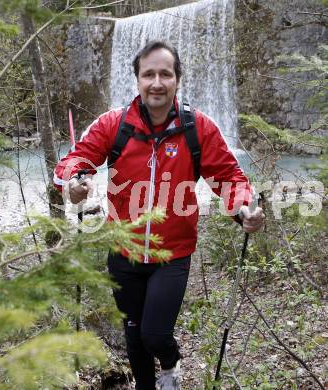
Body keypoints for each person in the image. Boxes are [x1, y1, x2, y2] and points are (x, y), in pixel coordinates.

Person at [53, 40, 264, 390]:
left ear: (177, 80)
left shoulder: (198, 128)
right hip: (123, 251)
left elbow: (229, 178)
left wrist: (244, 209)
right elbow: (73, 161)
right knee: (133, 338)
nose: (157, 82)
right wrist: (75, 181)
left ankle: (171, 364)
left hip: (173, 253)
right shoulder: (113, 124)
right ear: (137, 80)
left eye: (165, 74)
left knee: (154, 334)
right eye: (148, 74)